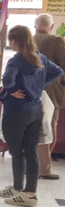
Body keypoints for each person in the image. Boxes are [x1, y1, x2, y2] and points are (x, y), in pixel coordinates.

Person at [0, 25, 64, 207]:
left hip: (16, 111)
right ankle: (29, 192)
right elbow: (58, 71)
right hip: (34, 110)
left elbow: (8, 80)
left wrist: (11, 90)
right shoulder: (39, 57)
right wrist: (39, 85)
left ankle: (19, 188)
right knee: (31, 151)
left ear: (15, 41)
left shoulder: (16, 60)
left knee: (17, 152)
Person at [33, 13, 65, 179]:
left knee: (31, 126)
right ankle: (45, 166)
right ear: (51, 27)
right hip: (52, 90)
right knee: (49, 126)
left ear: (35, 25)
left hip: (30, 89)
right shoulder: (57, 41)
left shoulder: (29, 39)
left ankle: (30, 162)